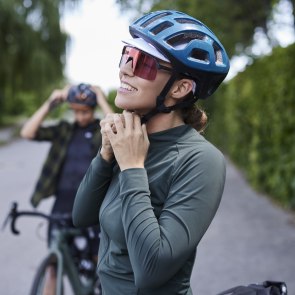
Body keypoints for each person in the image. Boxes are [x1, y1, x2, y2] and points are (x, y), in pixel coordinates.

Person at [73, 10, 230, 295]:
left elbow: (151, 271)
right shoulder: (129, 138)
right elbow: (82, 216)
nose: (125, 69)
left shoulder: (201, 161)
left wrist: (133, 167)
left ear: (180, 88)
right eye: (127, 55)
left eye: (144, 63)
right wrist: (106, 155)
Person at [20, 83, 113, 294]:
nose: (81, 117)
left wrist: (100, 97)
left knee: (100, 263)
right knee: (53, 265)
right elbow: (27, 132)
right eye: (77, 112)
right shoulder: (64, 130)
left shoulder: (102, 131)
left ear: (93, 109)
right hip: (62, 204)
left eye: (86, 111)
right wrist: (50, 104)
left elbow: (117, 128)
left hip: (92, 206)